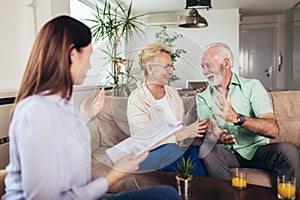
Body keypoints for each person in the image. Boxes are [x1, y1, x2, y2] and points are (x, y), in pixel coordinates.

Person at [2, 16, 181, 200]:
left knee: (166, 194)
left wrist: (84, 116)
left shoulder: (61, 105)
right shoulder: (35, 111)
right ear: (73, 54)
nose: (89, 65)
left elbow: (59, 137)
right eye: (89, 56)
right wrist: (114, 176)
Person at [196, 42, 300, 192]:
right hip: (226, 154)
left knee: (288, 150)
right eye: (202, 67)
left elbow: (273, 130)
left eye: (209, 66)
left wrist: (237, 118)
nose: (205, 72)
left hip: (257, 151)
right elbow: (209, 131)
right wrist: (216, 137)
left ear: (226, 63)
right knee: (207, 149)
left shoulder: (252, 86)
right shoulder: (203, 96)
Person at [127, 42, 208, 176]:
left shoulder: (172, 93)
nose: (170, 72)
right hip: (145, 156)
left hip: (173, 149)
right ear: (150, 68)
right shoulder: (137, 99)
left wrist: (196, 121)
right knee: (171, 150)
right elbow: (146, 141)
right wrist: (183, 134)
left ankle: (201, 193)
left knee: (193, 150)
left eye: (171, 67)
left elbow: (180, 125)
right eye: (166, 67)